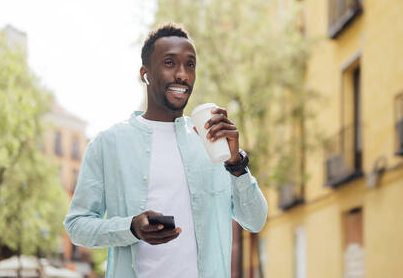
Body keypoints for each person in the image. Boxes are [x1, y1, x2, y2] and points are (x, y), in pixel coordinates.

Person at [64, 23, 268, 278]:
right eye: (169, 63)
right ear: (145, 73)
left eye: (190, 64)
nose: (182, 74)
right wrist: (131, 228)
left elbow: (255, 220)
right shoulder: (108, 144)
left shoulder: (212, 144)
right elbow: (77, 226)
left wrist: (237, 163)